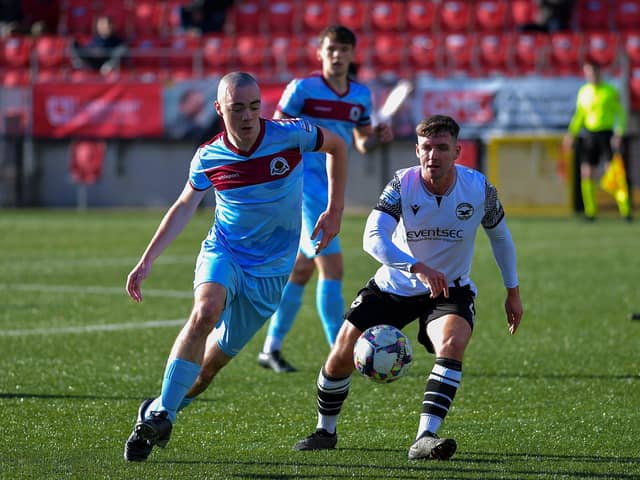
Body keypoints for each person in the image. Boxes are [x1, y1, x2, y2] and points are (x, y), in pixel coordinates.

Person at [123, 71, 348, 462]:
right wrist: (146, 260)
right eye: (237, 108)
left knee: (207, 372)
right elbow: (183, 207)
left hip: (271, 273)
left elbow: (338, 146)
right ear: (219, 109)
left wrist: (334, 210)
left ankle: (161, 408)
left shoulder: (290, 134)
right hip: (225, 251)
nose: (247, 116)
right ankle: (158, 416)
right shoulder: (209, 155)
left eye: (254, 106)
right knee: (205, 311)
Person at [293, 115, 523, 461]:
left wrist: (513, 291)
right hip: (394, 285)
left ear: (457, 151)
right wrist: (416, 266)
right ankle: (325, 430)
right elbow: (373, 238)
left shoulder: (479, 190)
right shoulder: (402, 185)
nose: (434, 155)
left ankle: (425, 437)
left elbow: (501, 238)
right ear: (417, 150)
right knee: (341, 351)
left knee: (453, 342)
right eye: (427, 148)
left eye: (442, 148)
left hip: (450, 289)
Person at [256, 24, 394, 373]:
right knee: (332, 267)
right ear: (320, 52)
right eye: (331, 49)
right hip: (300, 187)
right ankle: (341, 349)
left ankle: (270, 349)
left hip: (331, 187)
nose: (337, 55)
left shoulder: (361, 96)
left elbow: (361, 143)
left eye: (343, 49)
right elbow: (275, 131)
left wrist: (378, 137)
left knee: (302, 271)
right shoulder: (303, 89)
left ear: (352, 54)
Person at [563, 60, 630, 221]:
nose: (590, 76)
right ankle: (590, 212)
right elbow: (579, 115)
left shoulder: (610, 91)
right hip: (589, 135)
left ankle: (625, 211)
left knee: (613, 173)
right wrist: (571, 134)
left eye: (592, 72)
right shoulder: (584, 92)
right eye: (587, 73)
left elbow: (619, 113)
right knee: (586, 173)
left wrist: (619, 132)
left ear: (599, 72)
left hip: (606, 134)